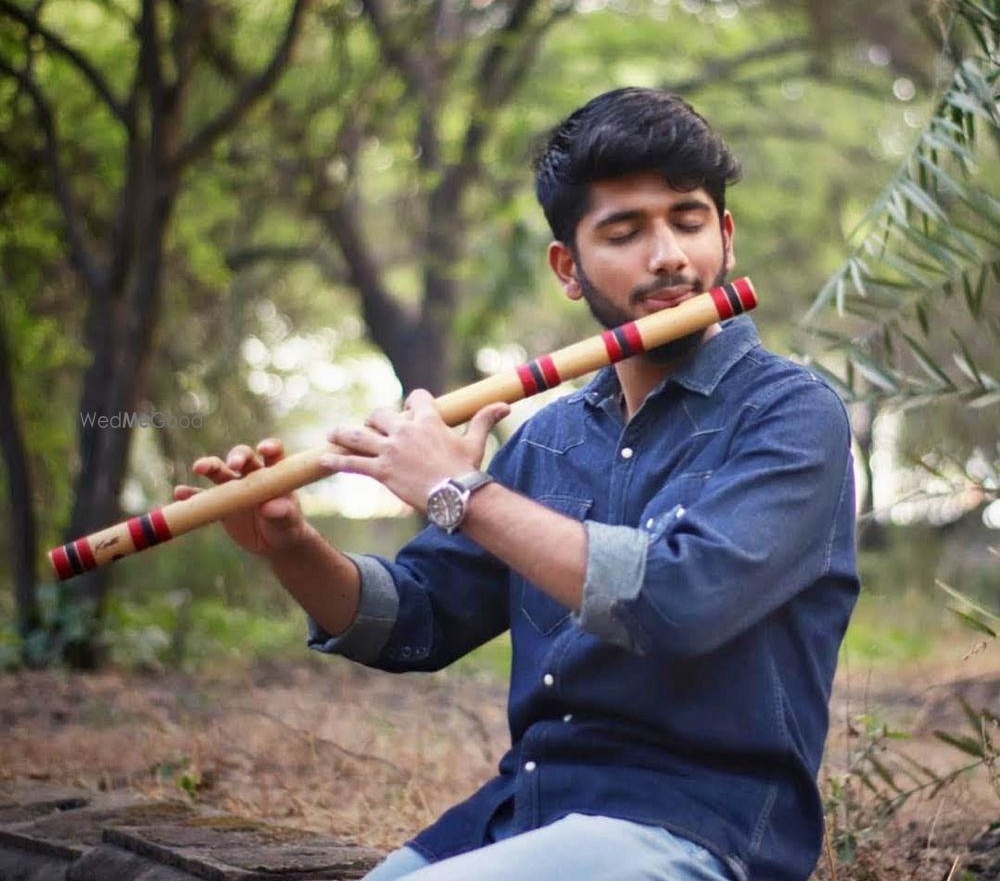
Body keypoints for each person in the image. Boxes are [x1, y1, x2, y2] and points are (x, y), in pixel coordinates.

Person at [175, 88, 859, 881]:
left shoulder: (791, 413)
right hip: (527, 809)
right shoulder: (550, 438)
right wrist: (290, 545)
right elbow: (415, 621)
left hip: (699, 828)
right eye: (625, 231)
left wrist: (462, 492)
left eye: (688, 219)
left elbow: (678, 600)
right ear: (568, 267)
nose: (668, 254)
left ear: (727, 237)